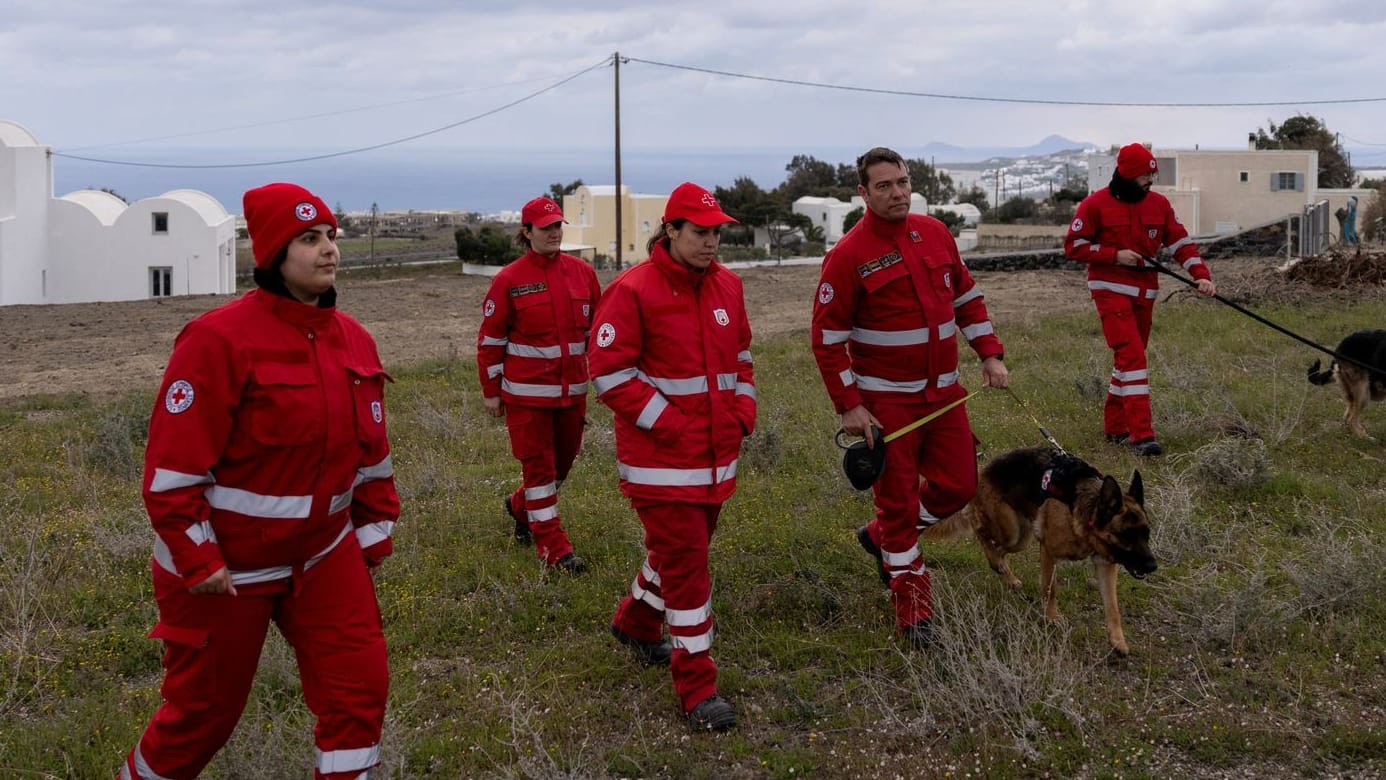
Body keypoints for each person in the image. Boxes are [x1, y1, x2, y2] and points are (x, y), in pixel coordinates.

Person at [120, 183, 399, 780]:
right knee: (203, 717)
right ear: (273, 253)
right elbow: (172, 472)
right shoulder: (217, 340)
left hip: (323, 554)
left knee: (359, 691)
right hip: (228, 569)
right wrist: (198, 560)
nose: (328, 250)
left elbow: (371, 452)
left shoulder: (354, 338)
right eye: (308, 239)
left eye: (330, 236)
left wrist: (375, 525)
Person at [811, 146, 1008, 650]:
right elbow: (827, 338)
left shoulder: (936, 233)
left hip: (944, 397)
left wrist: (989, 353)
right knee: (899, 509)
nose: (897, 192)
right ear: (863, 193)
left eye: (902, 182)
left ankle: (879, 537)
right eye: (884, 186)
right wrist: (850, 405)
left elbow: (966, 296)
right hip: (886, 408)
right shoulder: (848, 255)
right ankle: (915, 614)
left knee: (960, 487)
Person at [588, 182, 754, 731]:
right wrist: (671, 424)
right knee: (688, 569)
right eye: (701, 233)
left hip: (716, 461)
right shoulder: (632, 291)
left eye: (717, 233)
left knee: (681, 552)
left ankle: (635, 623)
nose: (712, 243)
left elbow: (744, 358)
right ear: (671, 230)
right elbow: (610, 372)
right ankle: (698, 689)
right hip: (660, 466)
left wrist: (742, 414)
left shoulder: (729, 287)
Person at [1064, 142, 1216, 457]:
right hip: (1109, 291)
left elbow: (1180, 244)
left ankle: (1115, 426)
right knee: (1133, 358)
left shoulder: (1159, 205)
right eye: (1145, 176)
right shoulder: (1095, 205)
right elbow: (1073, 246)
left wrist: (1200, 275)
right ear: (1128, 174)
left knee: (1128, 364)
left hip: (1145, 295)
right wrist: (1114, 255)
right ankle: (1142, 436)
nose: (1151, 181)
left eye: (1152, 175)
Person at [477, 196, 602, 574]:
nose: (554, 232)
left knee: (561, 469)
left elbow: (600, 332)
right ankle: (555, 550)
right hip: (525, 400)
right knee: (540, 473)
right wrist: (490, 390)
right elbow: (491, 340)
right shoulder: (508, 281)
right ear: (527, 232)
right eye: (545, 227)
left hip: (572, 396)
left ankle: (519, 507)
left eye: (558, 225)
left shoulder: (583, 273)